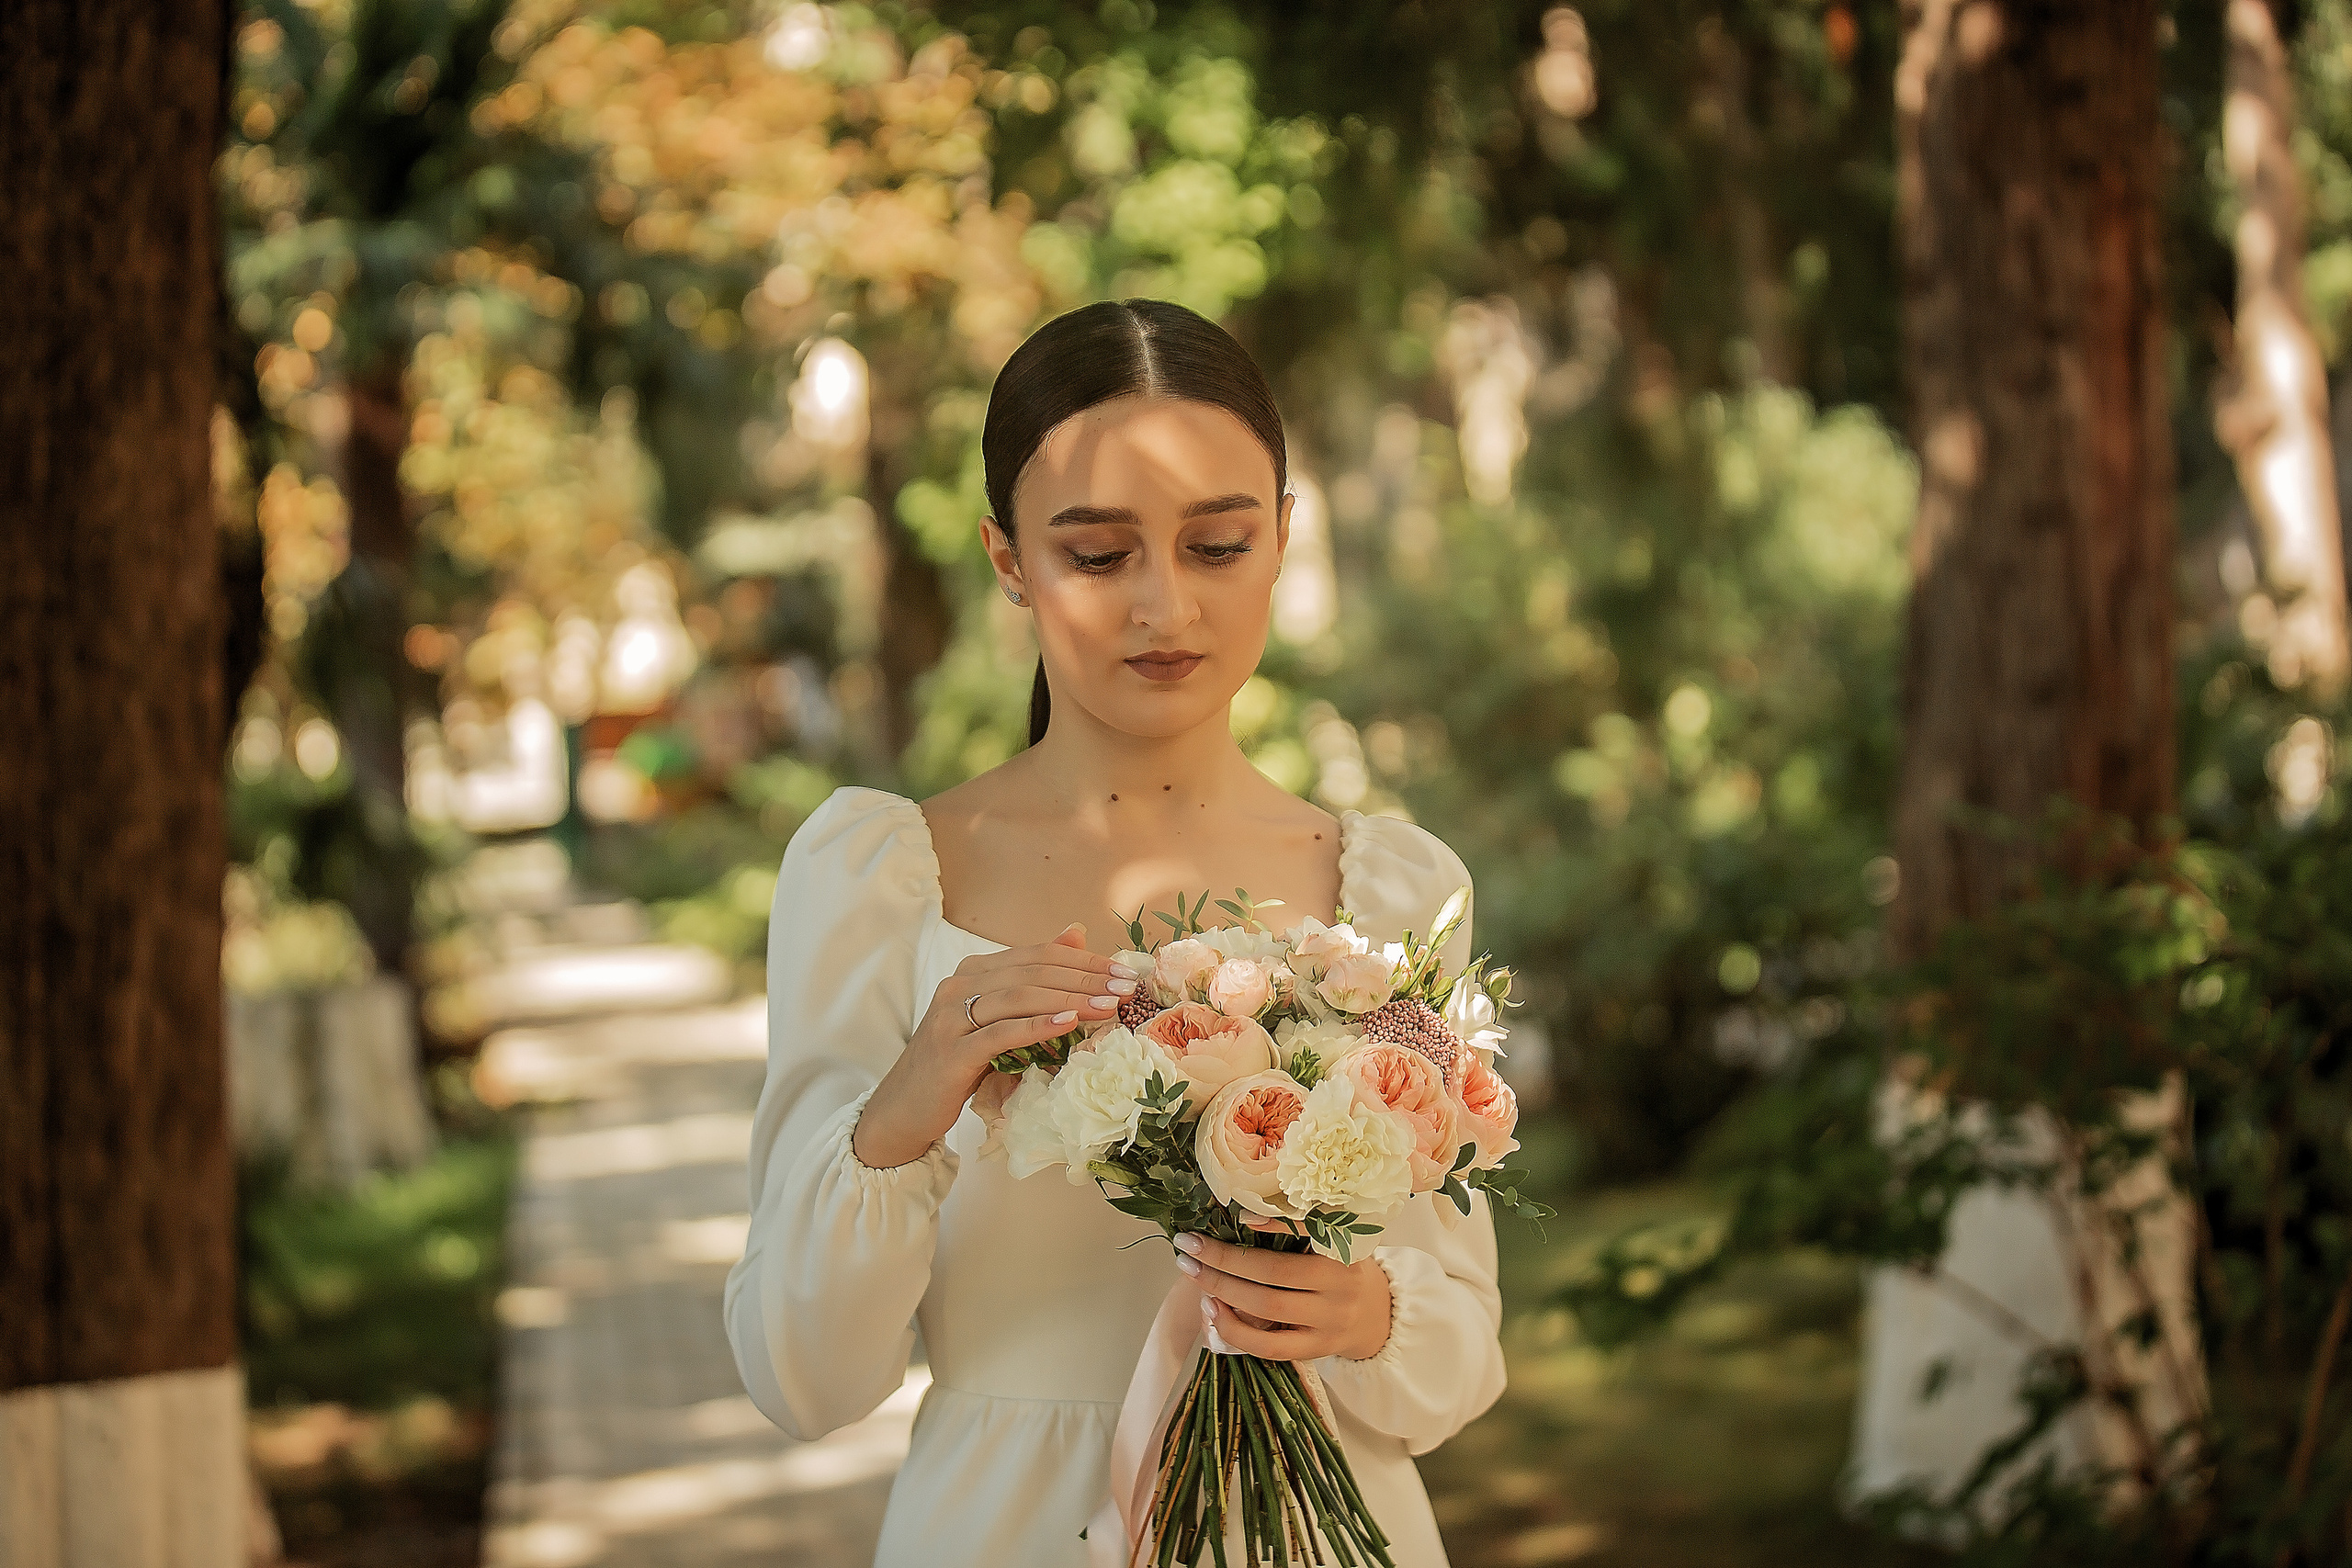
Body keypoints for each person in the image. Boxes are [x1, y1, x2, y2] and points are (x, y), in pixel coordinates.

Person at [722, 298, 1506, 1567]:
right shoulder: (883, 881)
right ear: (1009, 559)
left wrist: (1366, 1314)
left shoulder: (1390, 894)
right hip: (999, 1530)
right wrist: (912, 1100)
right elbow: (800, 1377)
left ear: (1283, 541)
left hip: (1326, 1527)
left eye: (1217, 545)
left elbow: (1458, 1362)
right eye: (1097, 555)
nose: (1164, 606)